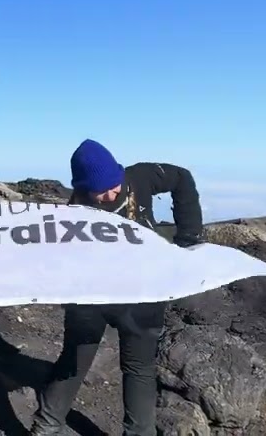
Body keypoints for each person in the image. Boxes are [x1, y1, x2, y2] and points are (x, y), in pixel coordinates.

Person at [29, 139, 204, 436]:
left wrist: (189, 234)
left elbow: (182, 178)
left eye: (114, 185)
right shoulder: (76, 209)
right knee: (73, 359)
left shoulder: (141, 177)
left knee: (139, 368)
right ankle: (45, 427)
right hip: (91, 295)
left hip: (144, 293)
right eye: (101, 190)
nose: (110, 194)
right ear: (84, 188)